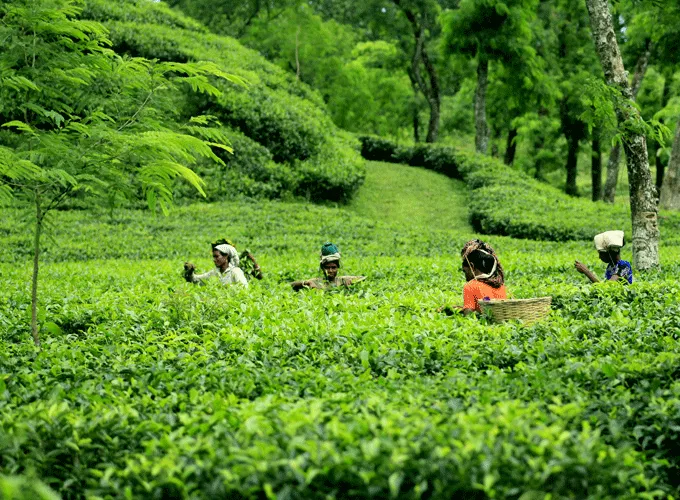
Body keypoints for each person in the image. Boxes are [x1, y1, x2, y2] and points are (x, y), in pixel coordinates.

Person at [441, 239, 507, 315]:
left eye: (465, 271)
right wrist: (459, 309)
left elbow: (469, 315)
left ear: (472, 266)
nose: (465, 277)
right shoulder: (500, 285)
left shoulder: (471, 286)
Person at [290, 242, 366, 290]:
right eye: (327, 267)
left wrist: (350, 280)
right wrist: (306, 283)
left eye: (333, 267)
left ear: (337, 267)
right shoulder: (316, 281)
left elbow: (363, 278)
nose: (330, 271)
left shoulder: (341, 280)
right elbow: (292, 284)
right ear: (322, 268)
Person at [184, 241, 249, 287]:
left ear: (226, 256)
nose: (214, 260)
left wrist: (226, 287)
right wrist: (190, 272)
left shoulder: (235, 271)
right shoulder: (214, 273)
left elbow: (244, 287)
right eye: (213, 257)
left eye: (217, 256)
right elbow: (196, 280)